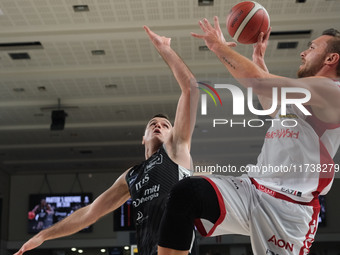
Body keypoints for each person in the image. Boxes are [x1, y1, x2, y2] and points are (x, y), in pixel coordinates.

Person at [157, 17, 340, 255]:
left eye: (312, 48)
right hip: (252, 189)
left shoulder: (330, 90)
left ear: (331, 59)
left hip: (289, 209)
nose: (304, 53)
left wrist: (217, 46)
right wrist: (258, 62)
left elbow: (261, 84)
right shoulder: (307, 96)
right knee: (186, 193)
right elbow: (270, 103)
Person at [14, 26, 201, 255]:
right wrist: (43, 235)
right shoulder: (131, 176)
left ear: (174, 134)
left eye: (165, 125)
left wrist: (165, 49)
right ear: (143, 138)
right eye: (152, 123)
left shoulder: (176, 149)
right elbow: (88, 213)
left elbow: (190, 89)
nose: (158, 125)